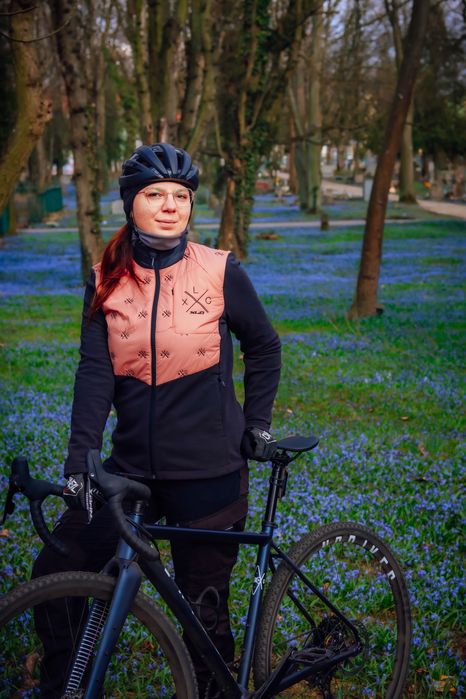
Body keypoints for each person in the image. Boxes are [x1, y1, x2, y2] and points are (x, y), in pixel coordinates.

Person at [32, 143, 281, 697]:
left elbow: (264, 346)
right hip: (130, 470)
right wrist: (79, 463)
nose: (170, 206)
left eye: (181, 196)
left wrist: (257, 423)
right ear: (131, 204)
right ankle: (64, 687)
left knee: (204, 616)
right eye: (154, 194)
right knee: (55, 572)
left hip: (209, 473)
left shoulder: (220, 270)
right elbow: (94, 373)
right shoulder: (106, 278)